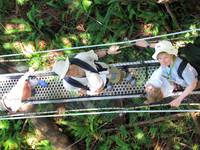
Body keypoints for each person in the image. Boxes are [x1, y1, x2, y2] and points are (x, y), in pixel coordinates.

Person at [136, 40, 200, 107]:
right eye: (159, 58)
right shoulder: (167, 64)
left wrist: (179, 99)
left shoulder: (182, 68)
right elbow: (162, 47)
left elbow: (193, 84)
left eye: (165, 57)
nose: (162, 61)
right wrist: (147, 45)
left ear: (171, 54)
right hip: (183, 82)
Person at [52, 46, 136, 96]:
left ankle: (125, 75)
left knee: (117, 76)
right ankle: (108, 84)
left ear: (69, 64)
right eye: (67, 73)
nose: (71, 72)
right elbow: (80, 90)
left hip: (103, 70)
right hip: (95, 85)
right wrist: (92, 92)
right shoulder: (68, 84)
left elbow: (96, 55)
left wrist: (108, 51)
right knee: (106, 85)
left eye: (69, 69)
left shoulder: (81, 58)